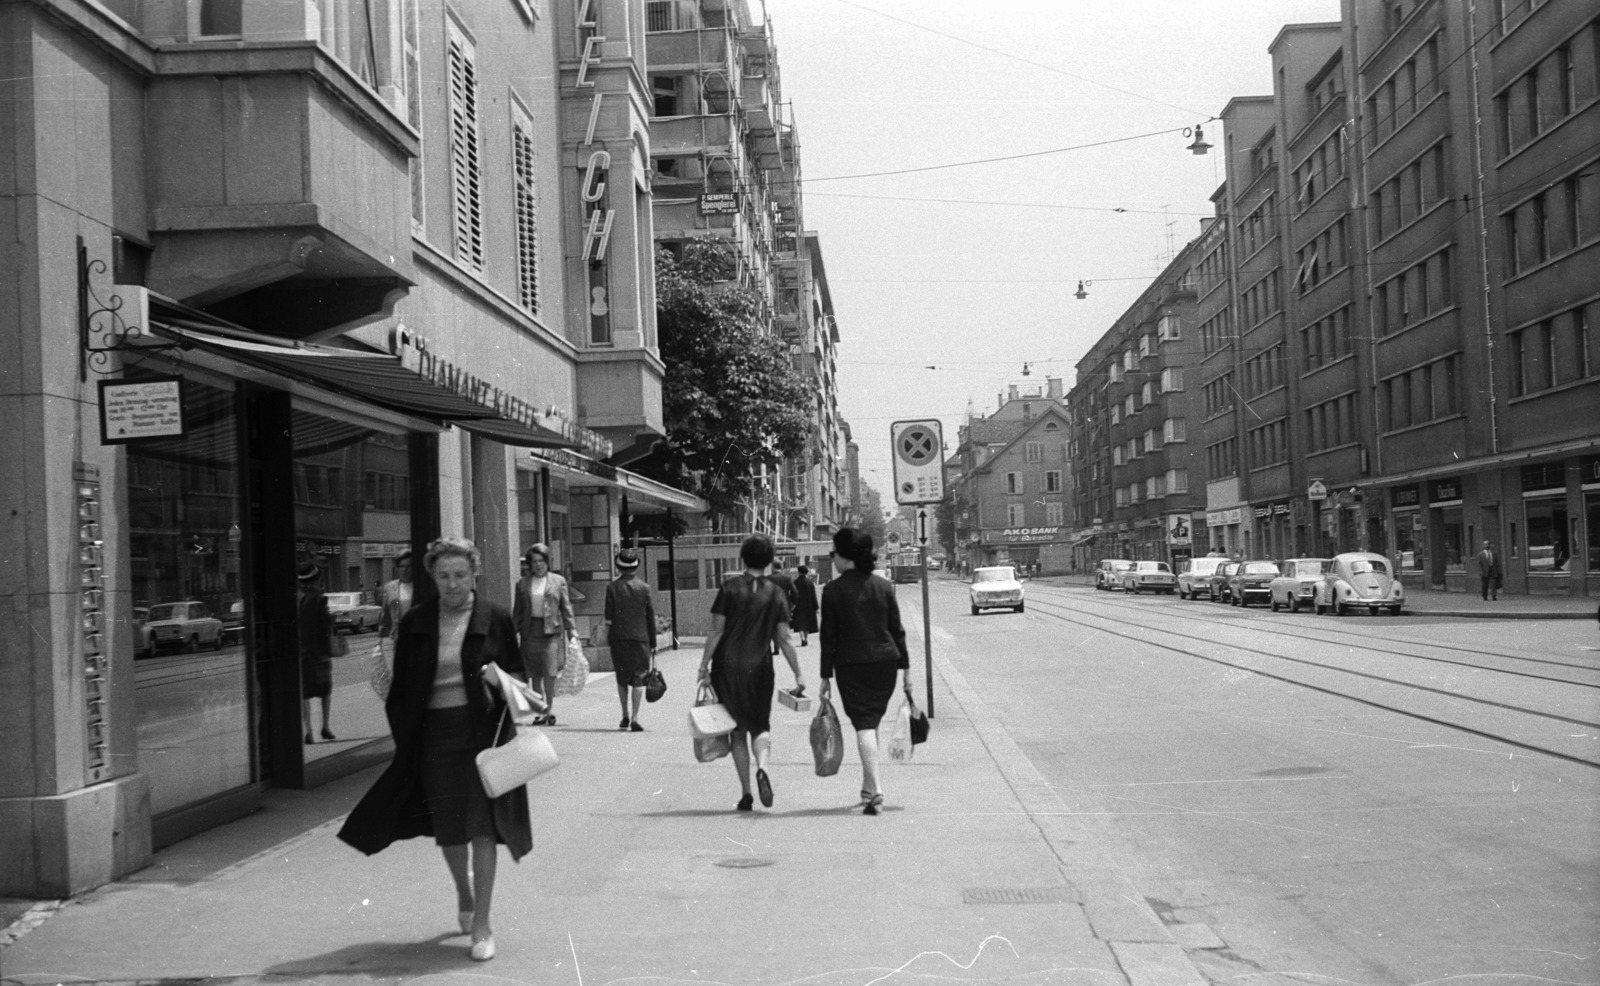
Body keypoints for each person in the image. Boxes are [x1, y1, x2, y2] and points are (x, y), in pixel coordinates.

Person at [337, 536, 532, 962]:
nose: (453, 583)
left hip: (483, 735)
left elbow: (520, 674)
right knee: (449, 828)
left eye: (461, 574)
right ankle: (464, 895)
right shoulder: (417, 622)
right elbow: (403, 687)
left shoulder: (495, 617)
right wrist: (407, 736)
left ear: (474, 573)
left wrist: (499, 677)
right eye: (443, 576)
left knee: (483, 826)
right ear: (432, 576)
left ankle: (482, 923)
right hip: (434, 738)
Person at [698, 534, 805, 812]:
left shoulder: (729, 588)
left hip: (727, 668)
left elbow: (716, 630)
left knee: (736, 731)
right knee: (760, 725)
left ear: (743, 558)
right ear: (769, 560)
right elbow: (784, 639)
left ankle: (746, 793)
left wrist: (703, 665)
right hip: (760, 668)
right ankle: (764, 768)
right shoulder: (776, 593)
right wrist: (798, 675)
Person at [820, 528, 911, 816]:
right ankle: (867, 788)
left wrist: (825, 676)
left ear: (846, 556)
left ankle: (877, 789)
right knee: (871, 724)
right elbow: (897, 630)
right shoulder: (883, 586)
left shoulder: (832, 591)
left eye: (834, 553)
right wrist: (906, 670)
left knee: (864, 725)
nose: (832, 559)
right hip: (886, 665)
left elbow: (828, 639)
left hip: (851, 665)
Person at [512, 544, 576, 726]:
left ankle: (550, 708)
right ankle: (540, 711)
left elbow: (566, 607)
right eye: (534, 562)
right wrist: (511, 633)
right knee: (534, 674)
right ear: (530, 565)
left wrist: (572, 629)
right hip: (529, 632)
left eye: (541, 561)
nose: (538, 565)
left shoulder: (558, 581)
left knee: (549, 672)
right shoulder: (522, 584)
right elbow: (517, 611)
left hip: (550, 633)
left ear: (547, 562)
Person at [603, 549, 656, 731]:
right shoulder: (645, 588)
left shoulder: (612, 587)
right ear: (636, 566)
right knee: (639, 677)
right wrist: (653, 643)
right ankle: (635, 717)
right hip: (641, 639)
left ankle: (624, 714)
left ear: (618, 567)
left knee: (621, 677)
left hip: (618, 639)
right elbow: (650, 617)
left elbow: (608, 616)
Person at [297, 559, 336, 743]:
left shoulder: (296, 600)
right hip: (320, 654)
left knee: (305, 693)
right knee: (325, 691)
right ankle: (325, 727)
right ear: (316, 580)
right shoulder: (320, 600)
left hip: (302, 654)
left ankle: (308, 731)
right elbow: (326, 625)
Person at [379, 549, 414, 638]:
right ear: (397, 568)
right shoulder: (390, 587)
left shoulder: (421, 586)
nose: (404, 570)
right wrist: (382, 634)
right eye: (401, 566)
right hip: (399, 635)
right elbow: (385, 613)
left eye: (408, 567)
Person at [792, 564, 819, 647]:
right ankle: (806, 639)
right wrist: (816, 607)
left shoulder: (795, 582)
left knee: (800, 623)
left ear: (799, 572)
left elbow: (793, 595)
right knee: (807, 623)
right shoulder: (809, 583)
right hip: (809, 605)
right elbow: (813, 596)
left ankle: (802, 638)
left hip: (798, 605)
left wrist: (792, 605)